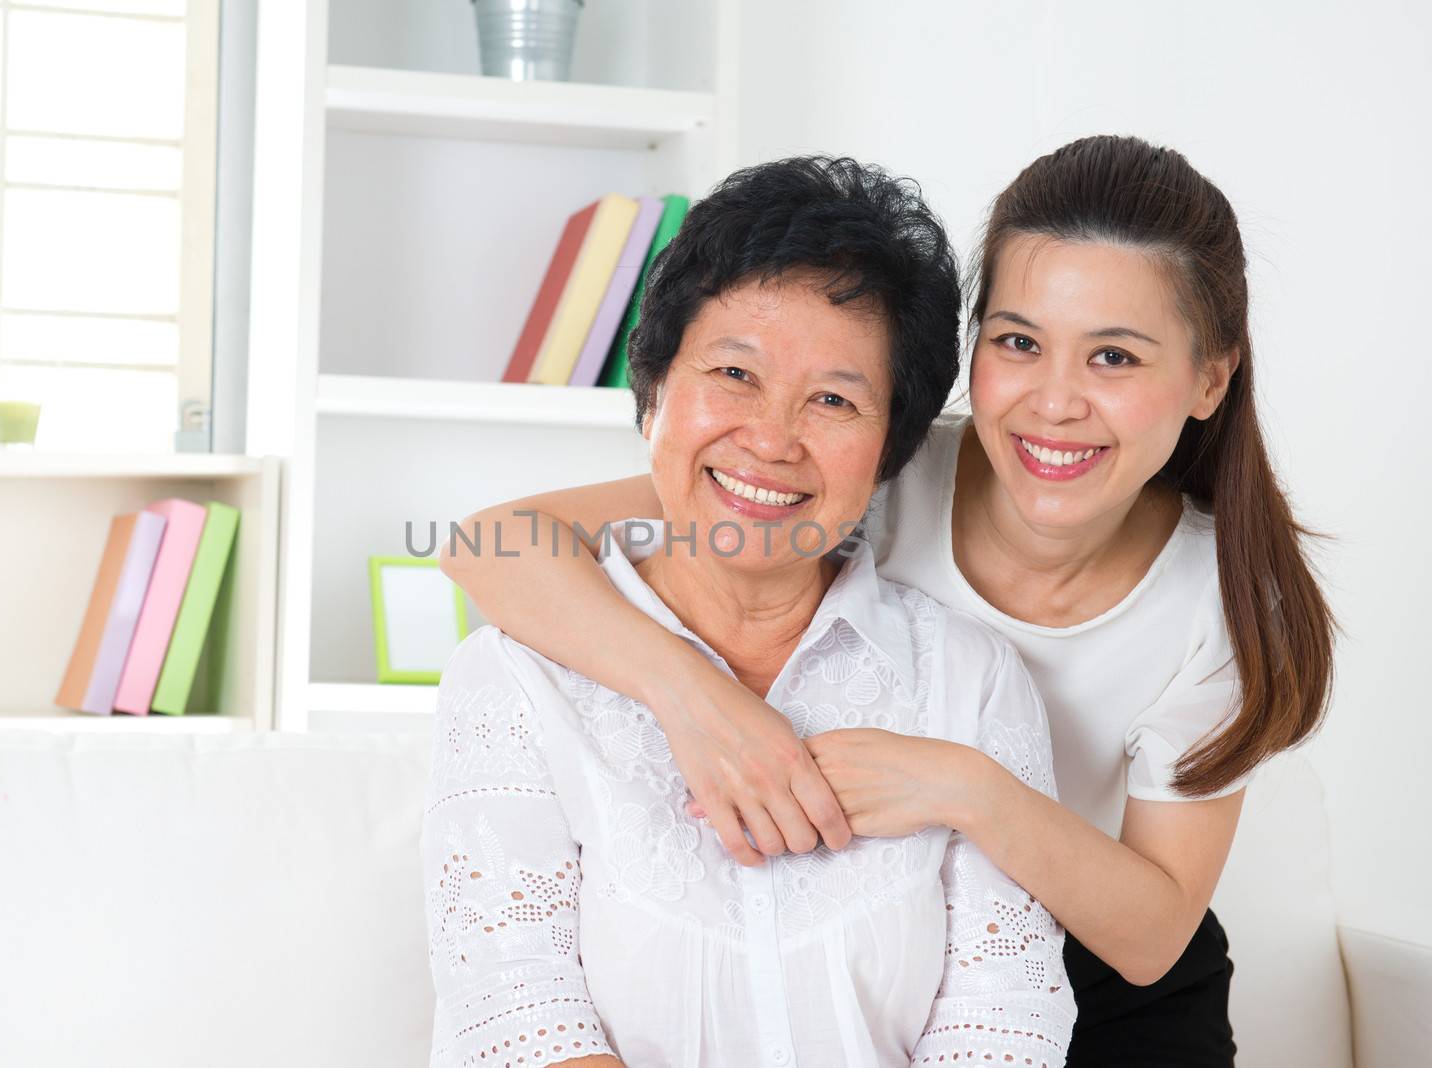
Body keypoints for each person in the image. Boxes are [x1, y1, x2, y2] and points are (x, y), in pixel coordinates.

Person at [440, 135, 1336, 1065]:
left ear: (1210, 377)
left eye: (1113, 357)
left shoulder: (1221, 603)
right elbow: (493, 545)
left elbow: (1152, 940)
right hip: (911, 945)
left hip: (1105, 980)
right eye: (1019, 342)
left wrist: (961, 784)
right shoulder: (872, 469)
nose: (1055, 401)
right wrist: (698, 699)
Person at [421, 156, 1075, 1067]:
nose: (771, 440)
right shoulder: (515, 676)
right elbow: (515, 1012)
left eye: (835, 400)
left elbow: (1005, 1020)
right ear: (652, 392)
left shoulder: (969, 681)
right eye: (734, 373)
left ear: (890, 449)